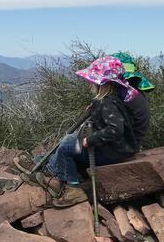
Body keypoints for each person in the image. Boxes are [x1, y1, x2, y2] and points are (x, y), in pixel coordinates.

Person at [17, 56, 139, 208]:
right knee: (69, 139)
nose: (89, 82)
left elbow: (115, 129)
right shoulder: (113, 98)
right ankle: (42, 162)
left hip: (113, 152)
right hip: (119, 148)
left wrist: (90, 140)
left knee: (67, 149)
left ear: (101, 82)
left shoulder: (108, 102)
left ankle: (72, 187)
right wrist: (96, 110)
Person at [111, 52, 154, 151]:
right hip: (135, 142)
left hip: (125, 145)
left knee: (69, 148)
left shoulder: (125, 94)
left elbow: (114, 127)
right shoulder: (135, 91)